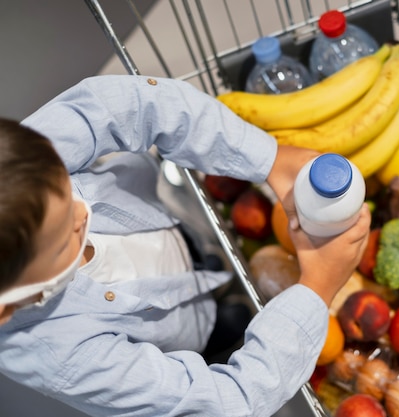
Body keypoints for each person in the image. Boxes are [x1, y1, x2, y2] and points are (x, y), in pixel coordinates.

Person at [0, 74, 371, 417]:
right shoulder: (61, 356)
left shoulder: (16, 167)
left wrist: (267, 156)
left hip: (175, 220)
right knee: (228, 329)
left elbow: (138, 102)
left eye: (69, 190)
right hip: (192, 334)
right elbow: (227, 400)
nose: (83, 214)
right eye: (66, 236)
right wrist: (318, 288)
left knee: (205, 249)